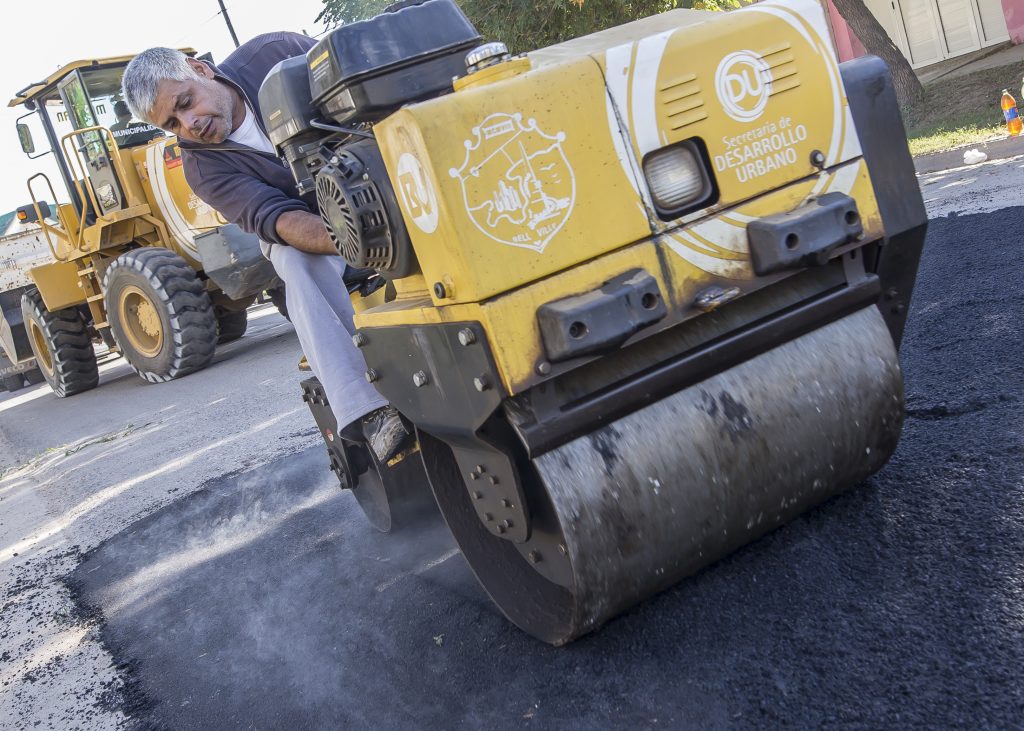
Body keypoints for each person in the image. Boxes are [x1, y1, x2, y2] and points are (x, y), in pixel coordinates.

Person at [121, 34, 410, 462]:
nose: (188, 126)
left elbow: (360, 83)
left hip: (379, 176)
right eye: (172, 125)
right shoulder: (203, 168)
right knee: (292, 259)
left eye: (185, 104)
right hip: (316, 228)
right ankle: (371, 410)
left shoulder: (275, 55)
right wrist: (361, 241)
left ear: (201, 71)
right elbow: (277, 219)